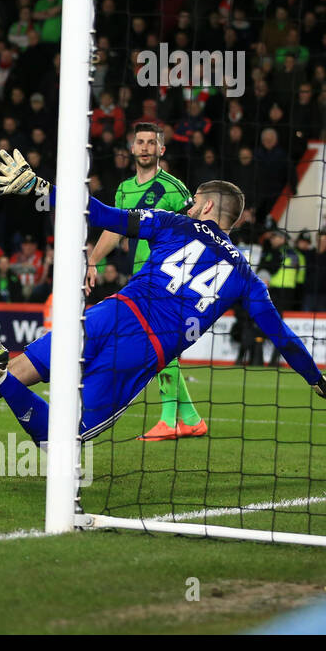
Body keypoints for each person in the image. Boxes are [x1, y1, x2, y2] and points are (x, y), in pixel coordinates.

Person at [0, 150, 326, 478]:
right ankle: (0, 376)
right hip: (142, 348)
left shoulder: (175, 224)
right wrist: (321, 385)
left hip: (110, 313)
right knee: (63, 442)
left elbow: (100, 213)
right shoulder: (245, 275)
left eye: (195, 200)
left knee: (26, 368)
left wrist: (38, 185)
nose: (190, 204)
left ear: (208, 205)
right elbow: (284, 339)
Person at [86, 121, 204, 441]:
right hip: (140, 276)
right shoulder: (125, 189)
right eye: (140, 142)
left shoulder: (174, 188)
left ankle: (168, 419)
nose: (145, 147)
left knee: (160, 344)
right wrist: (94, 259)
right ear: (132, 148)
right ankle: (190, 418)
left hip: (168, 277)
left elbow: (196, 228)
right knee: (162, 344)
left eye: (151, 142)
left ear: (161, 149)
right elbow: (114, 228)